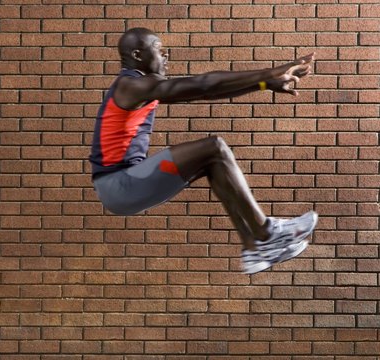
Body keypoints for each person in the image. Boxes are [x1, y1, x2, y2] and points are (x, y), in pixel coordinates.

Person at [89, 27, 318, 274]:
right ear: (137, 55)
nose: (166, 57)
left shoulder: (141, 86)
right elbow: (204, 86)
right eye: (159, 50)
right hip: (120, 184)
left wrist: (264, 83)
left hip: (124, 185)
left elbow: (211, 92)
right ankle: (265, 232)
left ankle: (254, 248)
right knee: (215, 147)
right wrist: (273, 71)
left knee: (214, 162)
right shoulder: (130, 85)